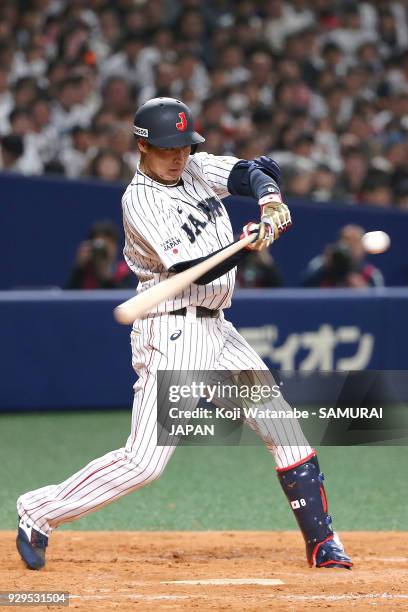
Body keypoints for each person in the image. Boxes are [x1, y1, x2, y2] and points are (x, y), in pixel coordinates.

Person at [16, 97, 352, 571]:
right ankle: (37, 510)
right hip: (172, 333)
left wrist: (270, 197)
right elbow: (190, 271)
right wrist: (246, 243)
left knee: (282, 427)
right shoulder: (140, 199)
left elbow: (251, 171)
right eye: (168, 147)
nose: (179, 155)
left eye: (184, 145)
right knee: (144, 463)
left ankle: (323, 543)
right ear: (142, 145)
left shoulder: (192, 168)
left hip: (218, 329)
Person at [302, 224, 384, 288]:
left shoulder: (371, 273)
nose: (350, 245)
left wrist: (365, 292)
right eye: (346, 240)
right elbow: (303, 288)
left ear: (362, 248)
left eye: (355, 241)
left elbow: (379, 303)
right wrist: (324, 267)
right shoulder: (321, 264)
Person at [66, 220, 135, 290]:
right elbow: (69, 297)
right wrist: (78, 268)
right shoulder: (83, 272)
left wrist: (107, 278)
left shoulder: (123, 272)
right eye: (99, 244)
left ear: (116, 247)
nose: (104, 250)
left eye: (109, 243)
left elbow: (127, 298)